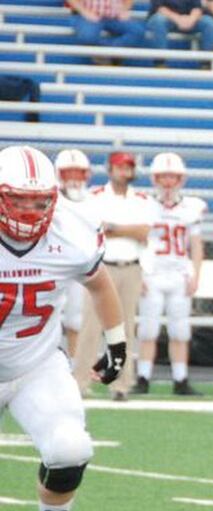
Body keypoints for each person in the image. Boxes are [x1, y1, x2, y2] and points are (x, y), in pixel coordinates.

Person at [0, 146, 127, 511]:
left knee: (71, 447)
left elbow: (100, 283)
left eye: (39, 201)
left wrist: (117, 342)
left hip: (35, 363)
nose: (30, 210)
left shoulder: (71, 228)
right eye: (18, 199)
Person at [79, 151, 149, 400]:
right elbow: (94, 229)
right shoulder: (95, 197)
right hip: (102, 265)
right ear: (110, 169)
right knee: (91, 326)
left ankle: (121, 384)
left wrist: (114, 228)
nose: (125, 171)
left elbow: (143, 232)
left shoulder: (141, 199)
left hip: (131, 266)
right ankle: (80, 382)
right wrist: (124, 231)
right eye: (121, 167)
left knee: (126, 327)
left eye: (128, 167)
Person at [135, 152, 205, 396]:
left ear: (181, 179)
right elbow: (138, 241)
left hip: (179, 274)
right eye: (163, 177)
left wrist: (195, 274)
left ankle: (180, 379)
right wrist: (138, 273)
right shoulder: (144, 205)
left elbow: (196, 245)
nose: (168, 182)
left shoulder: (190, 208)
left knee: (180, 330)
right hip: (152, 273)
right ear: (155, 178)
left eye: (172, 177)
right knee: (148, 329)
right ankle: (143, 377)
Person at [52, 150, 96, 360]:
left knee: (76, 318)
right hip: (54, 264)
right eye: (68, 173)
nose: (73, 179)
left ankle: (75, 366)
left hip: (81, 265)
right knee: (49, 314)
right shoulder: (50, 198)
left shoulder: (94, 200)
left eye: (78, 173)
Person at [145, 0, 213, 57]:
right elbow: (159, 8)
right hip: (166, 18)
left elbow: (197, 8)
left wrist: (191, 19)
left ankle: (207, 63)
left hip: (187, 19)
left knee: (208, 22)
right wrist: (178, 19)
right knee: (159, 20)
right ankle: (160, 62)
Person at [68, 0, 145, 51]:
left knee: (137, 31)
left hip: (114, 16)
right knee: (87, 36)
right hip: (87, 16)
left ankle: (106, 52)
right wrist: (84, 12)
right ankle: (109, 53)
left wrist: (125, 9)